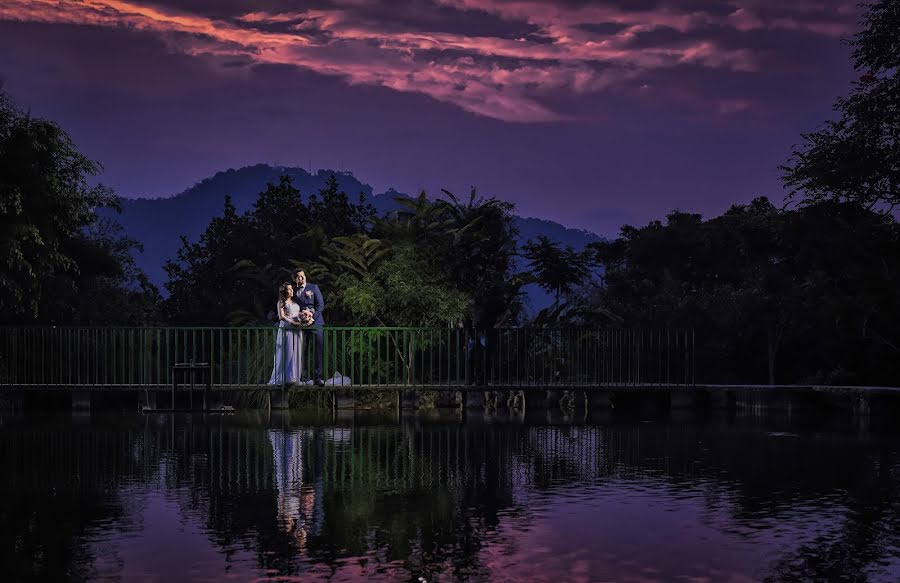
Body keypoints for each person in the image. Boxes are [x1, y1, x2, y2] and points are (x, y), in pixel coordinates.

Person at [292, 268, 325, 385]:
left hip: (316, 324)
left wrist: (312, 318)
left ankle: (318, 377)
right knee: (302, 351)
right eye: (298, 277)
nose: (301, 278)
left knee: (318, 351)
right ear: (294, 279)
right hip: (301, 325)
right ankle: (304, 377)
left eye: (303, 276)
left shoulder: (313, 287)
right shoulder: (293, 291)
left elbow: (320, 305)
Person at [268, 282, 305, 386]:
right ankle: (285, 377)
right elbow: (281, 317)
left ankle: (295, 376)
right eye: (289, 289)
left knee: (296, 351)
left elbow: (297, 314)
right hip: (287, 328)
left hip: (296, 330)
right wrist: (294, 323)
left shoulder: (295, 302)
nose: (292, 290)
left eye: (292, 289)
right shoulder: (281, 302)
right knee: (286, 351)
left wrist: (304, 318)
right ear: (285, 291)